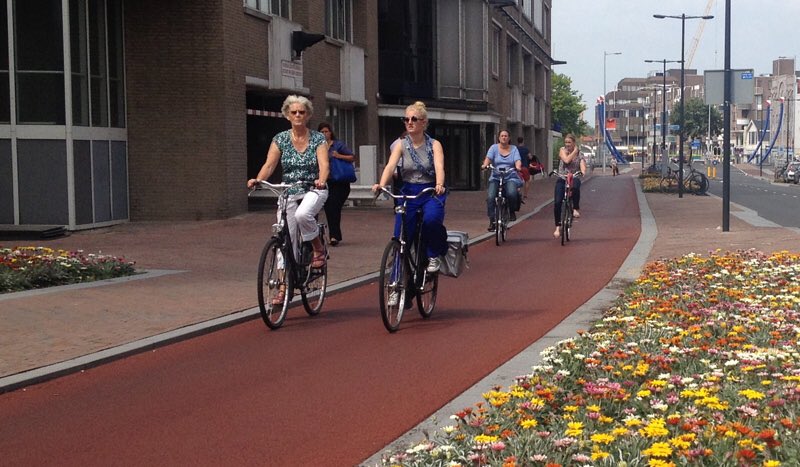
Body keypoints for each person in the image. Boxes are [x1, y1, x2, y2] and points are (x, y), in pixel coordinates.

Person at [247, 95, 329, 303]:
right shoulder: (281, 139)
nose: (298, 116)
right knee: (285, 238)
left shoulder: (318, 138)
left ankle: (318, 248)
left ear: (308, 115)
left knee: (303, 215)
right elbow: (269, 165)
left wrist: (321, 180)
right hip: (288, 190)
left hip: (313, 188)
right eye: (294, 112)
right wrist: (257, 179)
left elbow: (324, 165)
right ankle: (285, 287)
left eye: (302, 112)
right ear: (287, 115)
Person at [372, 101, 447, 278]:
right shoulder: (401, 144)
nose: (409, 122)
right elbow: (390, 166)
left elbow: (439, 166)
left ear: (424, 122)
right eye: (406, 119)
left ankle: (433, 254)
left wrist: (439, 184)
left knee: (431, 220)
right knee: (401, 236)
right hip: (408, 191)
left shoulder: (434, 145)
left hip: (429, 191)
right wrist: (381, 184)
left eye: (414, 119)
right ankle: (395, 284)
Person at [318, 122, 355, 247]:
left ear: (330, 132)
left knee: (334, 206)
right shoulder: (318, 146)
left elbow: (352, 157)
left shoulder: (338, 145)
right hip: (327, 182)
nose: (324, 134)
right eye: (322, 132)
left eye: (326, 131)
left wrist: (338, 155)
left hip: (340, 182)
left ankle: (334, 235)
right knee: (329, 207)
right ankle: (333, 235)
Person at [481, 129, 522, 231]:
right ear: (499, 138)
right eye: (502, 136)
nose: (504, 137)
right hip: (496, 177)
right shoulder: (493, 148)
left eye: (506, 136)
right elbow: (488, 158)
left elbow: (517, 160)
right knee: (490, 197)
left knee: (512, 193)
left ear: (509, 138)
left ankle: (511, 211)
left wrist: (518, 166)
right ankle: (492, 221)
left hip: (510, 176)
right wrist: (485, 165)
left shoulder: (514, 149)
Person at [553, 133, 587, 238]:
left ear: (574, 143)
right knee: (557, 202)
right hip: (562, 177)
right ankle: (557, 227)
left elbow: (582, 165)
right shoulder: (562, 150)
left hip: (574, 177)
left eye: (569, 142)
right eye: (566, 142)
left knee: (576, 187)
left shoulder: (580, 154)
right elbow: (566, 160)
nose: (567, 144)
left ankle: (575, 208)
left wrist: (582, 171)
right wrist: (574, 151)